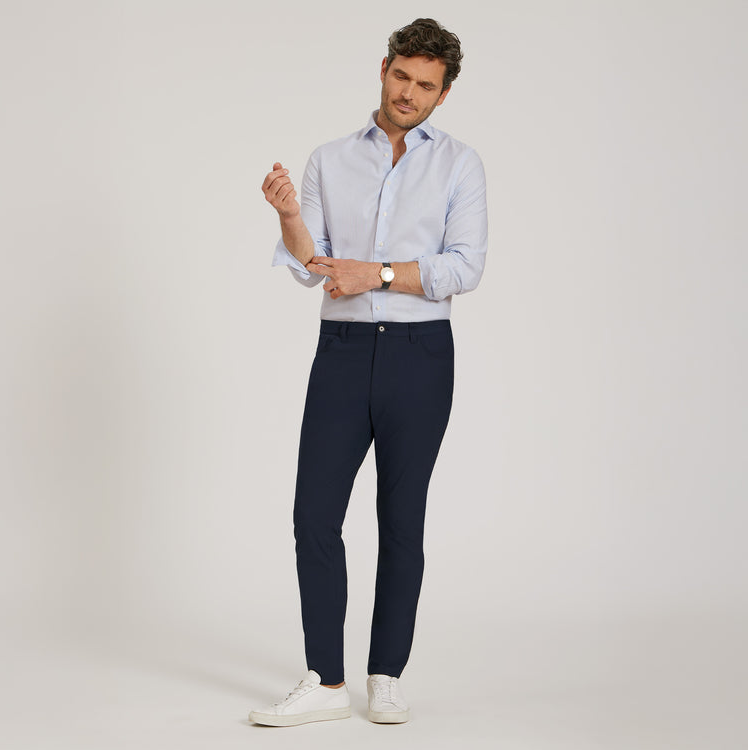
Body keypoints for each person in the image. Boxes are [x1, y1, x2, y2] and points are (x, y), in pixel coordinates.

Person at [250, 17, 488, 727]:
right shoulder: (329, 159)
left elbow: (465, 267)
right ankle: (326, 681)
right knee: (314, 515)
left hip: (421, 356)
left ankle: (386, 674)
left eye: (426, 86)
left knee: (401, 518)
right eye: (401, 77)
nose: (409, 93)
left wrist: (377, 272)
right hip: (344, 353)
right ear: (383, 69)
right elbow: (311, 266)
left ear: (443, 95)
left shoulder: (460, 165)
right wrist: (289, 218)